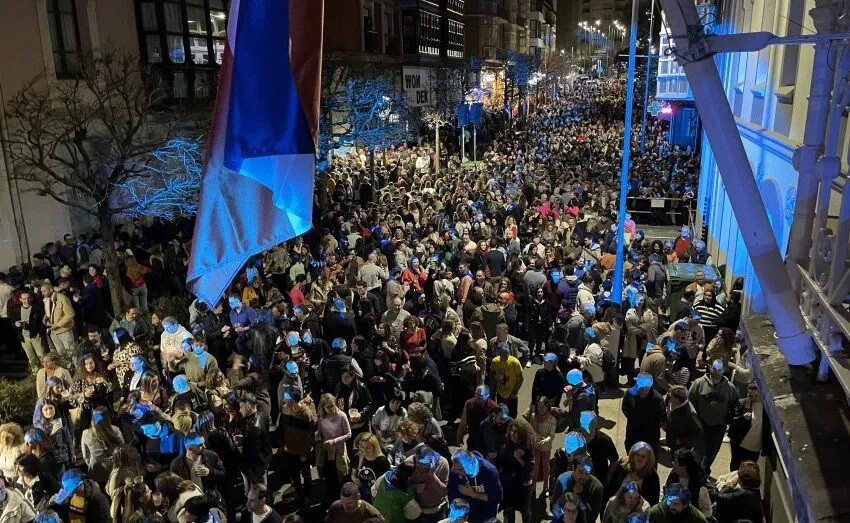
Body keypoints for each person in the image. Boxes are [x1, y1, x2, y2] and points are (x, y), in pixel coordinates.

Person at [689, 360, 737, 475]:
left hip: (719, 426)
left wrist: (730, 418)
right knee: (698, 451)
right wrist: (696, 419)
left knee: (712, 452)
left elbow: (735, 405)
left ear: (724, 370)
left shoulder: (729, 388)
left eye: (719, 370)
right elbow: (690, 402)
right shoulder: (698, 383)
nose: (716, 373)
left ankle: (704, 471)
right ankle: (696, 472)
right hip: (701, 425)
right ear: (710, 368)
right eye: (714, 369)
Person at [278, 386, 317, 503]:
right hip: (289, 448)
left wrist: (305, 452)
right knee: (294, 473)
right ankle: (298, 493)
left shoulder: (306, 414)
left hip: (302, 451)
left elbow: (310, 436)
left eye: (286, 398)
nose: (284, 400)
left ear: (294, 399)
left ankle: (307, 496)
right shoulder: (285, 408)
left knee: (306, 474)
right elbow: (283, 428)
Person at [447, 450, 502, 523]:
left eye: (460, 470)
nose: (458, 474)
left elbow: (497, 498)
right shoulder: (455, 472)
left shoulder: (489, 471)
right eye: (455, 469)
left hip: (486, 515)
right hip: (467, 517)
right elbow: (452, 496)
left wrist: (475, 494)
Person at [498, 418, 535, 523]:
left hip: (523, 485)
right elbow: (502, 462)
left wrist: (519, 459)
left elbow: (530, 467)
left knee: (525, 512)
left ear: (522, 434)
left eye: (516, 432)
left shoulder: (527, 446)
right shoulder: (507, 444)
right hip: (509, 484)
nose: (513, 434)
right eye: (512, 431)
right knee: (509, 512)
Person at [318, 393, 352, 504]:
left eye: (332, 405)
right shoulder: (321, 417)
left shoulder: (341, 415)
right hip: (327, 451)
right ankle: (330, 498)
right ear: (323, 407)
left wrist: (334, 441)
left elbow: (348, 434)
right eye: (328, 407)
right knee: (329, 475)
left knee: (340, 476)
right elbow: (320, 432)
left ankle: (341, 499)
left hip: (339, 449)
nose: (331, 409)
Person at [550, 455, 605, 523]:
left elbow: (591, 517)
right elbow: (553, 507)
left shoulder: (597, 487)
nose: (583, 477)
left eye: (587, 473)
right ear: (574, 470)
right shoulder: (562, 479)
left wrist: (579, 496)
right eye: (580, 472)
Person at [605, 442, 661, 507]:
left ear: (648, 459)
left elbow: (653, 501)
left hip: (635, 514)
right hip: (614, 508)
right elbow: (608, 487)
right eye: (637, 455)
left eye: (643, 456)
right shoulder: (621, 465)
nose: (639, 459)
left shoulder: (652, 476)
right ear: (633, 455)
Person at [621, 373, 665, 455]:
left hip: (650, 438)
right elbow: (625, 409)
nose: (643, 388)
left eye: (645, 386)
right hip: (633, 434)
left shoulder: (658, 399)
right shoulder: (629, 394)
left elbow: (662, 417)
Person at [80, 406, 124, 484]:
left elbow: (86, 456)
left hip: (97, 471)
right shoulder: (116, 430)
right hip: (115, 470)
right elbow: (122, 448)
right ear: (108, 418)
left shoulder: (86, 434)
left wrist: (92, 463)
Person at [728, 382, 765, 471]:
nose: (753, 398)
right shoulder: (741, 403)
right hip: (738, 441)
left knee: (750, 468)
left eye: (756, 396)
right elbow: (730, 420)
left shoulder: (765, 408)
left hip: (754, 445)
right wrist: (742, 418)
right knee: (735, 465)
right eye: (750, 395)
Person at [665, 448, 712, 517]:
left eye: (675, 462)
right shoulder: (673, 475)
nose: (672, 463)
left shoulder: (700, 486)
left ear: (684, 467)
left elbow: (706, 512)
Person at [524, 398, 556, 496]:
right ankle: (533, 486)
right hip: (535, 445)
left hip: (546, 446)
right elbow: (530, 430)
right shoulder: (533, 417)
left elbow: (551, 434)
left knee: (546, 466)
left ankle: (545, 487)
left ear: (547, 407)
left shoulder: (552, 419)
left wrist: (546, 440)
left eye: (543, 407)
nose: (540, 409)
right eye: (539, 407)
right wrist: (537, 437)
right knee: (535, 465)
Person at [10, 289, 46, 371]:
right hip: (24, 337)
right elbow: (13, 322)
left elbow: (42, 321)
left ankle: (45, 372)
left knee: (41, 355)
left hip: (35, 335)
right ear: (20, 299)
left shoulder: (36, 308)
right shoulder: (16, 310)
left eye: (28, 298)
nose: (26, 300)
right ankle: (35, 373)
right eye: (24, 299)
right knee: (31, 357)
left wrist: (40, 333)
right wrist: (16, 324)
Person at [456, 386, 498, 451]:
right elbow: (463, 423)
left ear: (488, 395)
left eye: (481, 395)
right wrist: (459, 438)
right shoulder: (469, 404)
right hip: (473, 440)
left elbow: (497, 427)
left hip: (487, 443)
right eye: (476, 394)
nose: (478, 397)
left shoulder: (494, 407)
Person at [664, 385, 701, 457]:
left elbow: (698, 432)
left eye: (670, 396)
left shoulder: (690, 413)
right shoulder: (674, 405)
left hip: (681, 449)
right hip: (674, 446)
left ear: (677, 399)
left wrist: (681, 441)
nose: (668, 397)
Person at [41, 282, 76, 358]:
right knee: (62, 356)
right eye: (41, 291)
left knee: (73, 355)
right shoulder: (46, 300)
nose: (42, 293)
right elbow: (49, 311)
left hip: (65, 331)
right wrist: (45, 317)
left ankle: (77, 369)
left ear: (51, 289)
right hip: (53, 332)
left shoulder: (62, 298)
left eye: (44, 291)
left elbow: (70, 314)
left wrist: (57, 325)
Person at [489, 342, 523, 417]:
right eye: (503, 353)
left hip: (511, 394)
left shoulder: (515, 362)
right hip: (500, 393)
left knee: (512, 415)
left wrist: (514, 391)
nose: (506, 355)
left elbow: (521, 379)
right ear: (498, 353)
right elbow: (492, 372)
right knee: (500, 413)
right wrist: (497, 377)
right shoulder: (495, 361)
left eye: (507, 353)